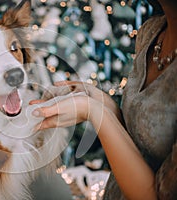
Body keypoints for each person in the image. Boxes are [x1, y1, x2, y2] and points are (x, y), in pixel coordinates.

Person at [30, 0, 177, 199]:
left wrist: (94, 111)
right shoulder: (153, 31)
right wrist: (96, 98)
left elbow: (154, 195)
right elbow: (141, 137)